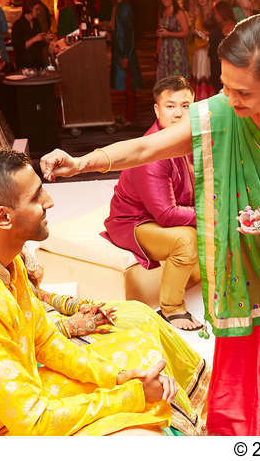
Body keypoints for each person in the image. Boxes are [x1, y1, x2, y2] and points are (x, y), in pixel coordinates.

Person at [41, 14, 260, 436]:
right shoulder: (224, 112)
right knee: (251, 373)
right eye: (225, 86)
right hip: (250, 274)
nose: (230, 99)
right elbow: (145, 147)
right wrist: (84, 162)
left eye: (243, 92)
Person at [0, 141, 209, 435]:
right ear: (3, 217)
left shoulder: (3, 259)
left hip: (17, 392)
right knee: (137, 417)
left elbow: (44, 342)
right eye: (35, 197)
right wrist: (132, 394)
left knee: (136, 354)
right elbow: (34, 420)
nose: (50, 202)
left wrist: (120, 378)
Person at [103, 76, 202, 331]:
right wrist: (210, 211)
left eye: (186, 106)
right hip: (134, 222)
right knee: (186, 239)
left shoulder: (190, 138)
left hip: (160, 216)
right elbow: (167, 214)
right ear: (157, 110)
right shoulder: (153, 151)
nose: (179, 113)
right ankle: (171, 308)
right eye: (170, 106)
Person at [102, 0, 141, 126]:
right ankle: (128, 115)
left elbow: (130, 33)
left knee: (129, 85)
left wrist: (126, 55)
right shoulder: (116, 6)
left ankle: (130, 118)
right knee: (126, 86)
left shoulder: (124, 7)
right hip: (119, 50)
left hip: (125, 52)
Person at [155, 0, 190, 80]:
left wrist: (169, 34)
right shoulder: (161, 12)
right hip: (164, 49)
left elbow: (186, 32)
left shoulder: (179, 12)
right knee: (164, 78)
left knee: (176, 79)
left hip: (176, 50)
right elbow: (161, 29)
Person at [187, 0, 214, 99]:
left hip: (206, 48)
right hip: (196, 48)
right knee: (197, 74)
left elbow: (214, 31)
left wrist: (206, 34)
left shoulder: (211, 12)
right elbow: (191, 30)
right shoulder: (195, 12)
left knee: (204, 73)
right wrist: (195, 32)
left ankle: (205, 100)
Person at [11, 0, 53, 70]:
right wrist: (34, 39)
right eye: (36, 9)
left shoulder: (36, 22)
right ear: (29, 9)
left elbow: (40, 44)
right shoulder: (18, 25)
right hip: (25, 66)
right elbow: (19, 47)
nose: (39, 12)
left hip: (38, 64)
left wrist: (46, 39)